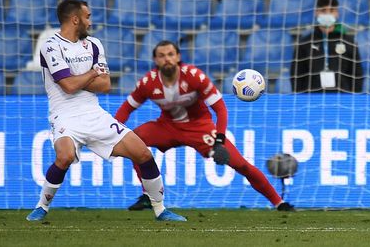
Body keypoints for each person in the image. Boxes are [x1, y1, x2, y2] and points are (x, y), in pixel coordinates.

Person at [27, 0, 185, 222]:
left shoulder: (94, 45)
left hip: (94, 112)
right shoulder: (51, 46)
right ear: (75, 19)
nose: (90, 22)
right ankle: (42, 206)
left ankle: (160, 209)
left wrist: (77, 78)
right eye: (87, 17)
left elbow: (105, 85)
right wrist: (91, 74)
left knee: (143, 154)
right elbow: (68, 87)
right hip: (64, 114)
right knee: (65, 156)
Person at [114, 40, 294, 212]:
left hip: (199, 127)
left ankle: (279, 202)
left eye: (170, 54)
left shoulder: (194, 77)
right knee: (133, 142)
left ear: (178, 57)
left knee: (242, 165)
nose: (167, 59)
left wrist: (219, 142)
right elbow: (126, 109)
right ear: (155, 60)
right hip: (167, 126)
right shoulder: (147, 83)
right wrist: (113, 133)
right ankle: (148, 196)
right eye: (161, 55)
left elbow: (221, 109)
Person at [291, 0, 363, 93]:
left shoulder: (348, 42)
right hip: (312, 99)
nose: (327, 14)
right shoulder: (305, 42)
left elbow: (357, 75)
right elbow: (296, 75)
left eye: (331, 11)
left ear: (337, 13)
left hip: (342, 99)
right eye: (323, 10)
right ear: (316, 13)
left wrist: (352, 100)